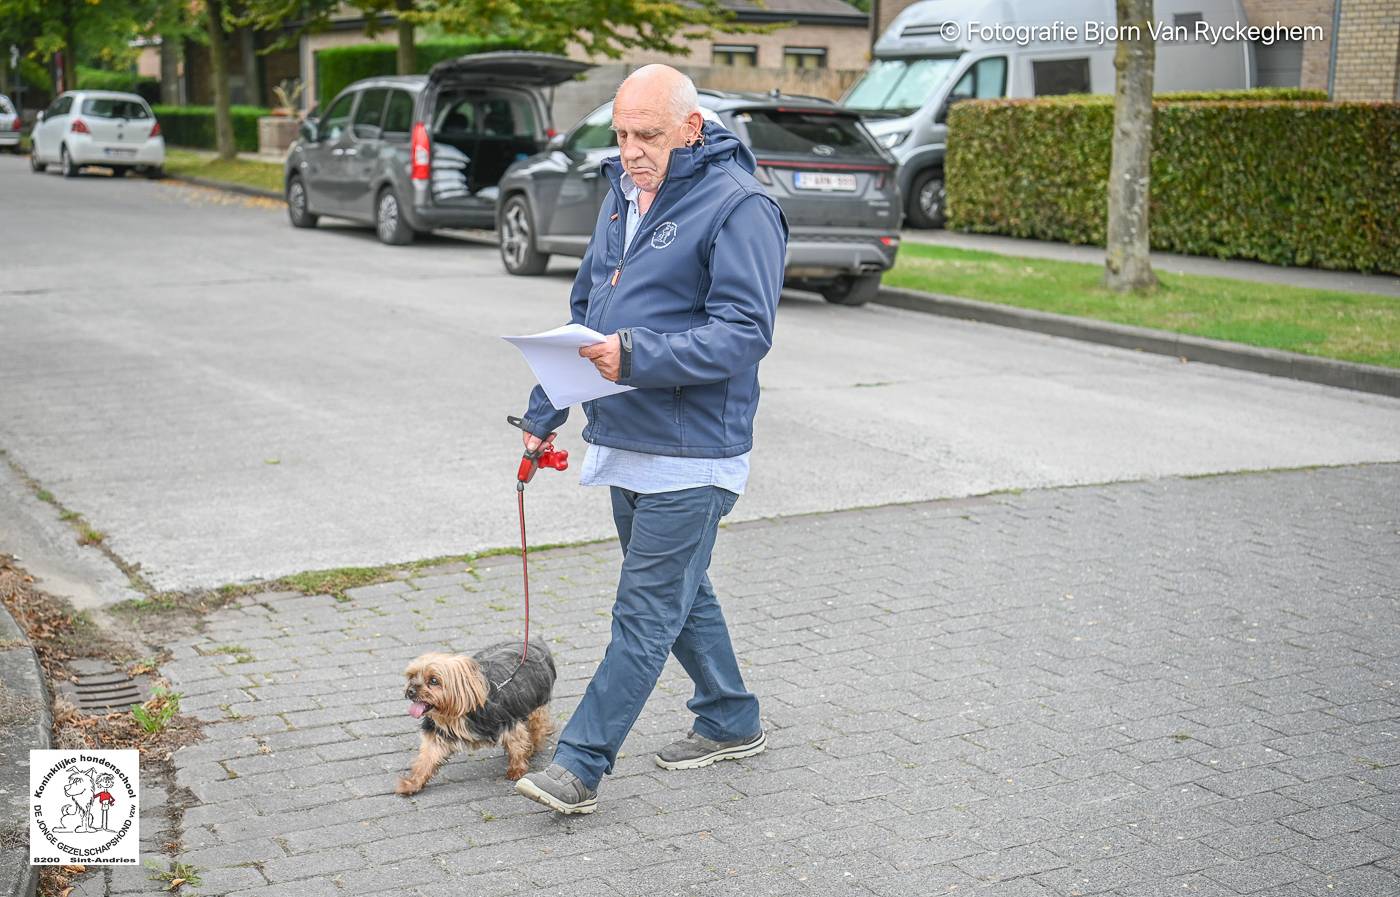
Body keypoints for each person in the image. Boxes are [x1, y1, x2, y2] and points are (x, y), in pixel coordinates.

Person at [512, 64, 788, 815]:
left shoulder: (740, 207)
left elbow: (743, 333)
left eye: (648, 135)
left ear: (691, 129)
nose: (630, 149)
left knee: (644, 611)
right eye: (622, 134)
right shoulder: (621, 196)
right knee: (679, 591)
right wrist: (545, 410)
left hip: (694, 453)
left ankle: (580, 764)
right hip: (625, 440)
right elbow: (589, 310)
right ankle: (731, 717)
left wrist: (636, 356)